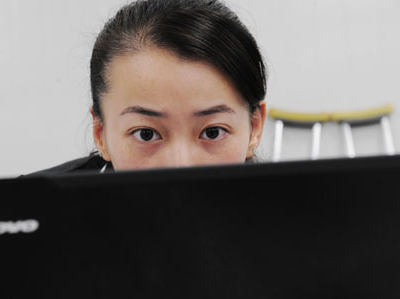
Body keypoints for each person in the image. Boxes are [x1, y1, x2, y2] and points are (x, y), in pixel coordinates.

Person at [26, 0, 267, 176]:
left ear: (254, 126)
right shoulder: (30, 215)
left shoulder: (298, 225)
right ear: (101, 134)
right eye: (146, 134)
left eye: (213, 132)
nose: (180, 166)